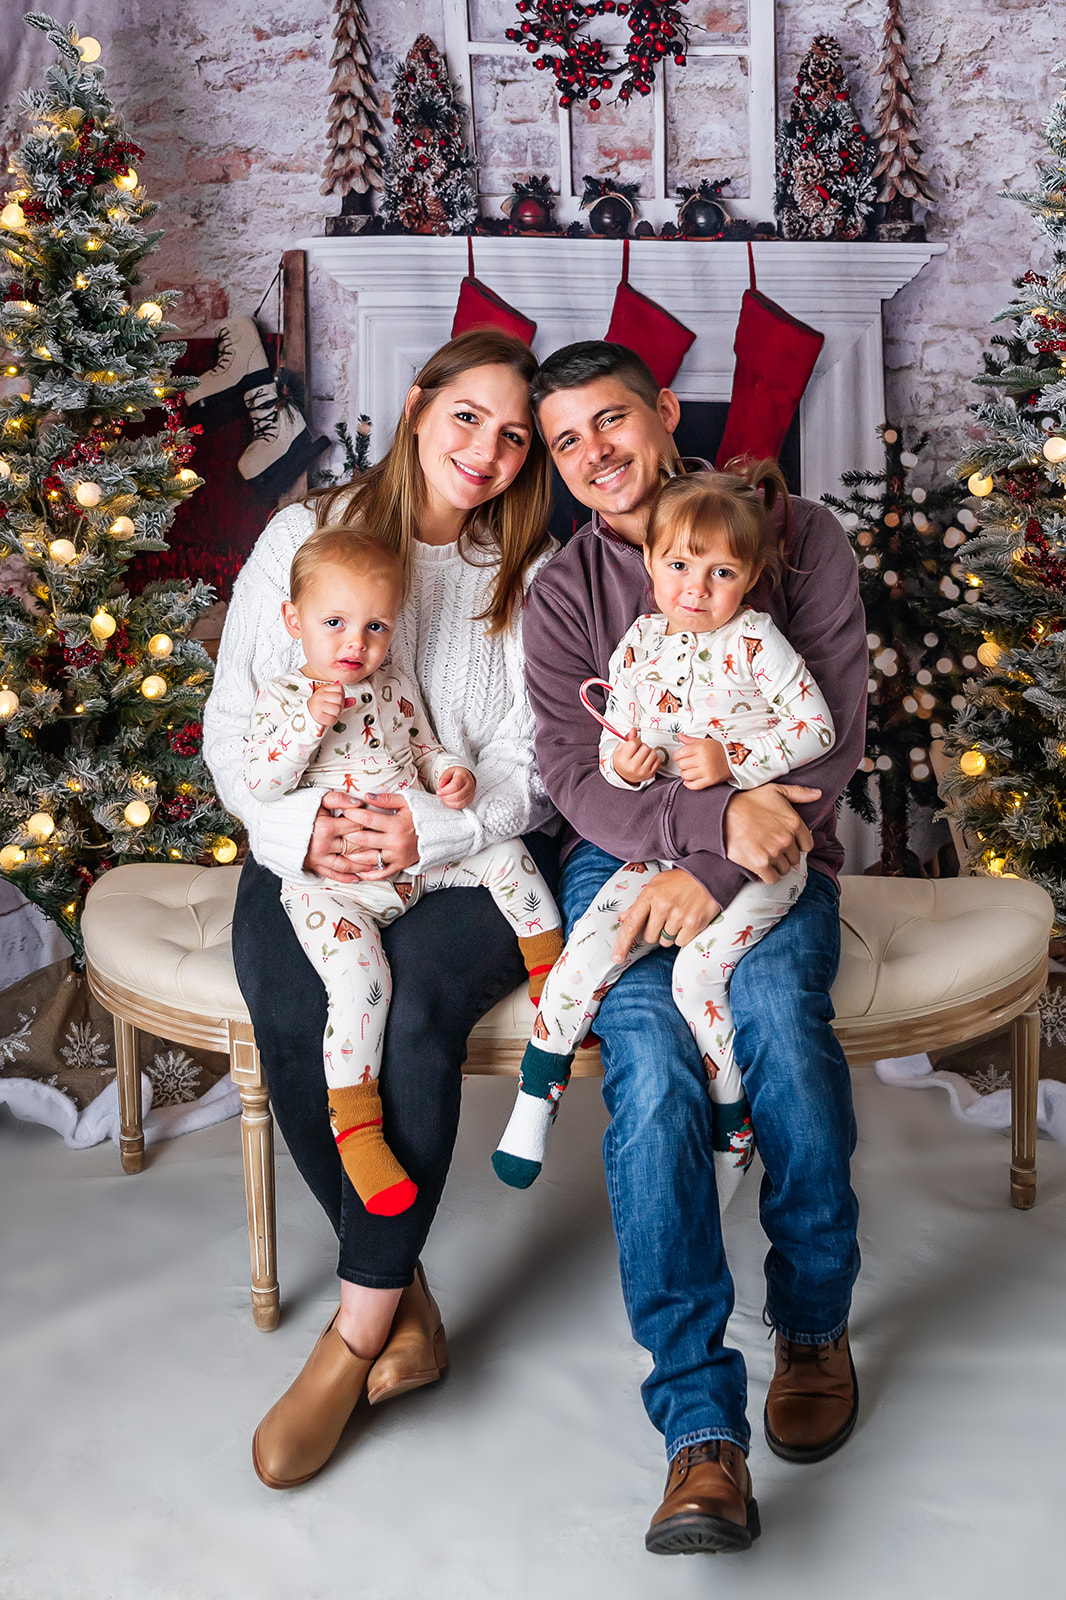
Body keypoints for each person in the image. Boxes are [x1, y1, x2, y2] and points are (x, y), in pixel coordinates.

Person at [521, 341, 867, 1556]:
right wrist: (699, 823)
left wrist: (715, 861)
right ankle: (696, 1429)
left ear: (663, 413)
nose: (593, 456)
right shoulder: (565, 591)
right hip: (617, 868)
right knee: (656, 1071)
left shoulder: (794, 534)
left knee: (774, 1021)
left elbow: (823, 744)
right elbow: (577, 782)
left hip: (774, 866)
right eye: (563, 440)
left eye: (610, 422)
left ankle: (813, 1321)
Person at [203, 329, 557, 1490]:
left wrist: (442, 826)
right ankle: (405, 1296)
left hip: (463, 850)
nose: (487, 450)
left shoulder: (528, 573)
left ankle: (355, 1331)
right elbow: (233, 726)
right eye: (468, 417)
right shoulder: (302, 539)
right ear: (416, 408)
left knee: (411, 1021)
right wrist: (302, 831)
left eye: (512, 435)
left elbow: (534, 761)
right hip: (311, 845)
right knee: (292, 995)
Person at [492, 464, 834, 1199]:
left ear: (748, 579)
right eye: (679, 566)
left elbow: (816, 728)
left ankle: (730, 1119)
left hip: (762, 859)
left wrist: (732, 759)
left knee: (695, 976)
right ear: (649, 564)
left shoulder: (756, 641)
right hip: (666, 846)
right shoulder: (640, 645)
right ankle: (535, 1097)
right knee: (590, 947)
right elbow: (622, 758)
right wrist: (624, 765)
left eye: (721, 573)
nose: (696, 588)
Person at [245, 525, 564, 1219]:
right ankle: (356, 1126)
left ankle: (553, 978)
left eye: (375, 626)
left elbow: (424, 748)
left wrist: (453, 774)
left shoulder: (391, 684)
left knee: (505, 857)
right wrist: (305, 725)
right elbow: (263, 783)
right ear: (293, 622)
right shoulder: (282, 696)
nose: (354, 644)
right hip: (332, 890)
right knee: (363, 984)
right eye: (334, 624)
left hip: (414, 863)